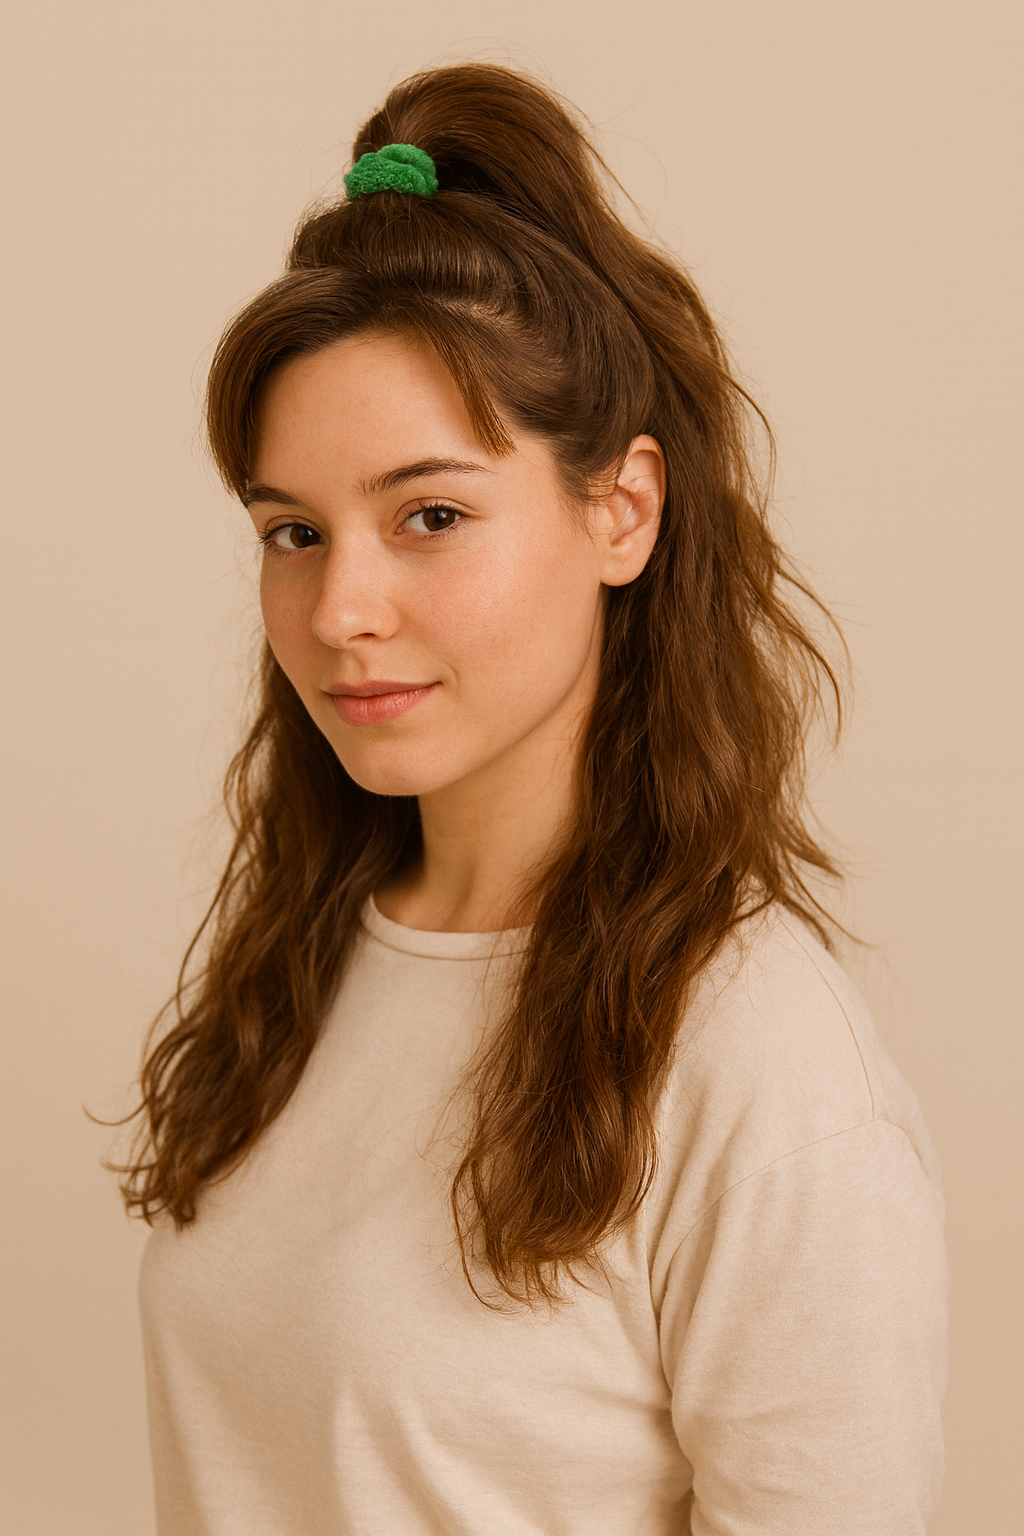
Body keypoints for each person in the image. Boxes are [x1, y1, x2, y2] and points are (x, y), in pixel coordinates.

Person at [123, 62, 947, 1535]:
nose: (340, 609)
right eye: (294, 532)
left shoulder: (761, 1067)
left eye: (430, 515)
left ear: (621, 510)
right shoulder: (305, 956)